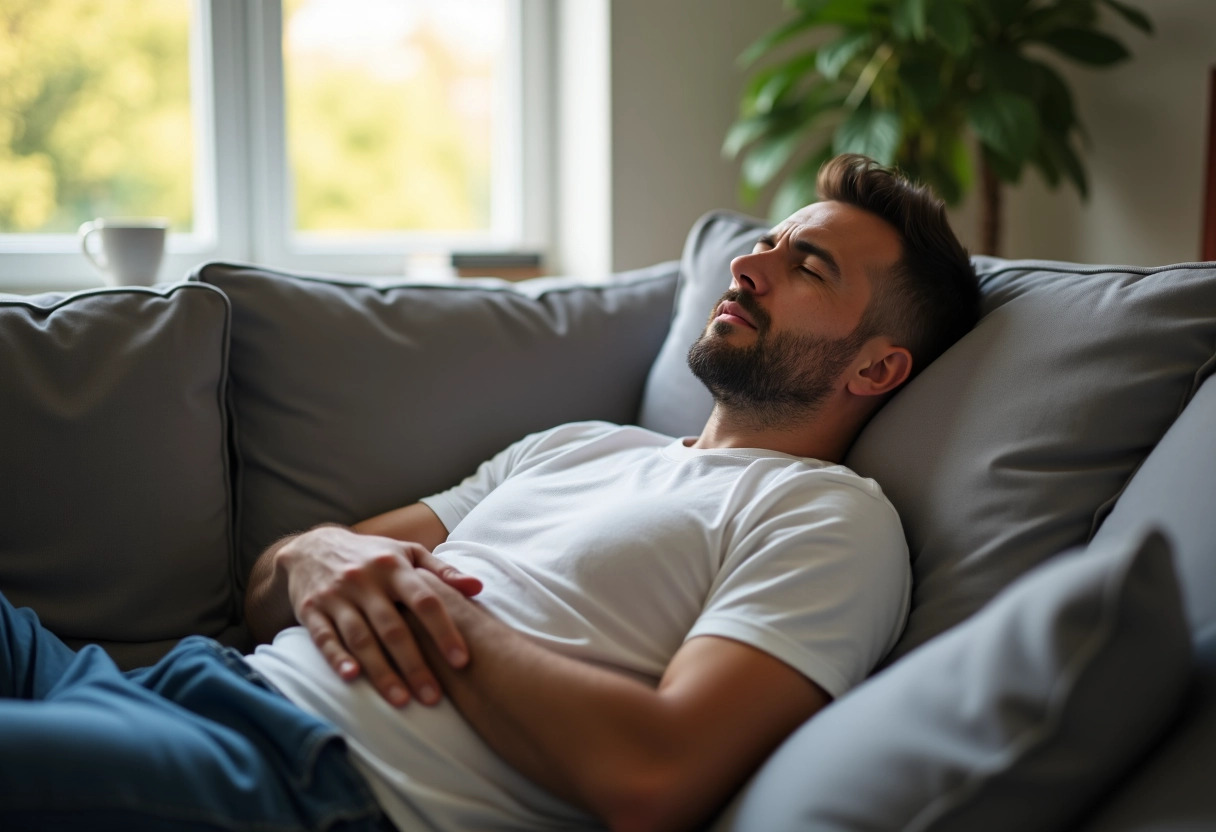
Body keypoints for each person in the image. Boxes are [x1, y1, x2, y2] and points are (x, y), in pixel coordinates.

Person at [0, 155, 979, 832]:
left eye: (804, 265)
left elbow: (657, 778)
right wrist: (315, 552)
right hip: (164, 680)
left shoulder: (828, 518)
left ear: (877, 368)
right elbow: (269, 586)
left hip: (300, 778)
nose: (750, 261)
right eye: (766, 239)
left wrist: (423, 609)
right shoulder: (580, 445)